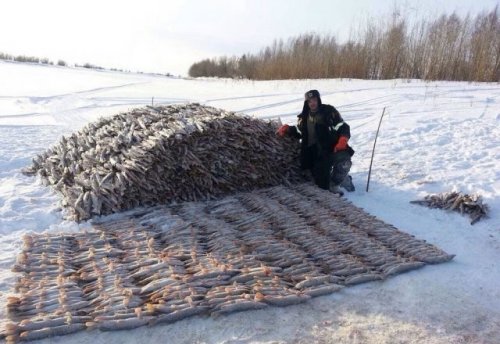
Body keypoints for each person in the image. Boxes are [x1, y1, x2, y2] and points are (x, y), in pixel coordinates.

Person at [277, 89, 354, 194]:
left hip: (333, 148)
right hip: (317, 153)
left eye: (314, 100)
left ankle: (336, 183)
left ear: (318, 100)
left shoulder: (329, 111)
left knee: (344, 161)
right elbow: (299, 131)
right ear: (306, 103)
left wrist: (343, 140)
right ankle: (335, 179)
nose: (312, 103)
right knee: (321, 186)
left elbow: (342, 126)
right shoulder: (303, 117)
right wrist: (288, 129)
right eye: (309, 101)